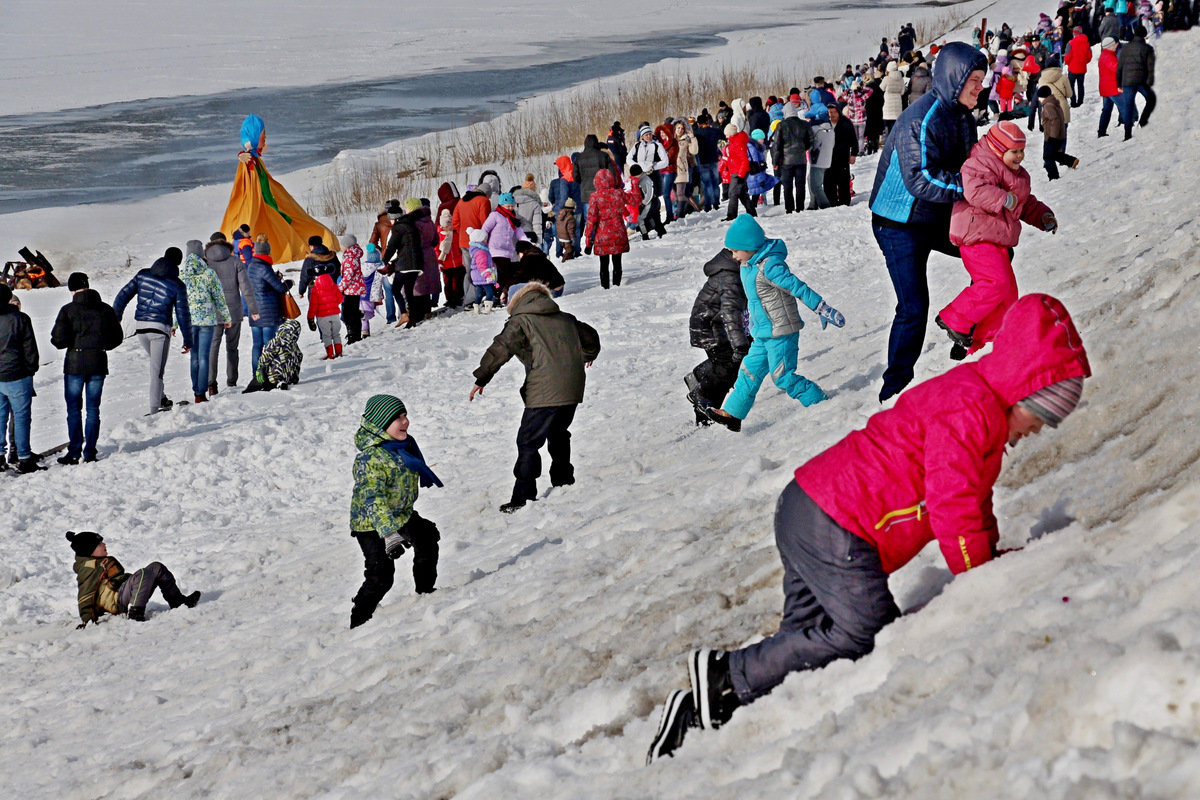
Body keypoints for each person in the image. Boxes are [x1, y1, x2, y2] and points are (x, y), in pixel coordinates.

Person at [647, 293, 1091, 763]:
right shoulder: (971, 409)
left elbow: (974, 501)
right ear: (1020, 389)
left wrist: (989, 554)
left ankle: (709, 712)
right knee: (867, 634)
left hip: (810, 507)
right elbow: (952, 505)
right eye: (1040, 416)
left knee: (812, 636)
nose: (1039, 429)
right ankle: (723, 675)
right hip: (835, 522)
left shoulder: (975, 404)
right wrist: (982, 576)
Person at [869, 41, 989, 403]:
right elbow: (921, 180)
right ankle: (895, 386)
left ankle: (963, 325)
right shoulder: (921, 119)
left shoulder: (963, 117)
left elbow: (972, 164)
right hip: (898, 224)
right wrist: (973, 189)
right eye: (975, 81)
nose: (981, 88)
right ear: (955, 80)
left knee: (993, 253)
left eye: (982, 81)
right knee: (913, 306)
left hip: (933, 215)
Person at [469, 283, 601, 513]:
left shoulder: (520, 321)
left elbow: (501, 347)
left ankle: (523, 497)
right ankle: (563, 481)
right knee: (558, 432)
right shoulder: (565, 318)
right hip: (572, 387)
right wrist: (588, 354)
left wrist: (482, 376)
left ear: (516, 301)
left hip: (545, 390)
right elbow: (589, 335)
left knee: (528, 442)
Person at [705, 217, 844, 432]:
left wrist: (822, 308)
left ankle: (822, 403)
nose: (733, 256)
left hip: (781, 332)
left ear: (749, 246)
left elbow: (797, 287)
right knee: (748, 372)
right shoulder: (747, 265)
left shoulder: (770, 266)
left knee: (783, 377)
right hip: (762, 333)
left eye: (735, 251)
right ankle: (733, 413)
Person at [936, 122, 1057, 359]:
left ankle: (990, 337)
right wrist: (1003, 199)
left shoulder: (1017, 175)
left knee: (1008, 296)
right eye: (1015, 151)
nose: (1020, 156)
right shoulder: (979, 164)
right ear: (998, 148)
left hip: (998, 240)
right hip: (977, 235)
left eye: (1022, 151)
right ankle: (954, 319)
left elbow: (1024, 202)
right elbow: (975, 190)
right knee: (995, 283)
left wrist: (1042, 215)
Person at [349, 395, 442, 628]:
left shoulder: (403, 446)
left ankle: (426, 592)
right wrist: (389, 534)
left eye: (405, 415)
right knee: (381, 575)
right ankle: (358, 620)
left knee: (427, 538)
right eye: (397, 418)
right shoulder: (370, 459)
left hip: (401, 514)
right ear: (380, 425)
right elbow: (373, 499)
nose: (405, 421)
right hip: (372, 524)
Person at [49, 273, 123, 464]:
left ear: (72, 290)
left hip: (74, 362)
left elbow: (58, 340)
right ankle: (90, 451)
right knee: (93, 409)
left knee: (74, 409)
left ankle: (74, 451)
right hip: (98, 361)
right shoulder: (105, 309)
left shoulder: (67, 310)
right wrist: (102, 345)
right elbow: (117, 337)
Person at [112, 246, 194, 415]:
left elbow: (123, 294)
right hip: (159, 331)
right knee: (157, 371)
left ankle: (161, 397)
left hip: (141, 327)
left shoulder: (143, 274)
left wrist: (116, 315)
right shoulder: (177, 285)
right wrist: (188, 340)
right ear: (178, 263)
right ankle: (154, 409)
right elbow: (183, 314)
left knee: (156, 367)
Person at [67, 530, 201, 626]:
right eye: (99, 544)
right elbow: (85, 595)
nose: (104, 545)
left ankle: (178, 602)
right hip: (116, 600)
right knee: (144, 573)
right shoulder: (89, 568)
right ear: (89, 550)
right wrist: (87, 620)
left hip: (122, 592)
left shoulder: (99, 562)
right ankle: (135, 612)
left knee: (156, 567)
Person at [685, 247, 748, 427]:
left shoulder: (733, 269)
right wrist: (739, 343)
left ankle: (700, 376)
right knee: (726, 368)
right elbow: (730, 313)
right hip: (710, 327)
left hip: (716, 325)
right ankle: (703, 402)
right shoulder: (730, 277)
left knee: (728, 366)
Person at [204, 232, 260, 394]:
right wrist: (253, 309)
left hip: (214, 312)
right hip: (233, 311)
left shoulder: (206, 263)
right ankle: (232, 381)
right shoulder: (235, 261)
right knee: (232, 348)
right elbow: (246, 288)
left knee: (213, 347)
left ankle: (211, 384)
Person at [179, 240, 232, 404]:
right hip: (207, 321)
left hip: (188, 322)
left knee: (193, 357)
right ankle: (200, 393)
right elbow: (219, 298)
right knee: (203, 357)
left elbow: (178, 303)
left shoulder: (181, 276)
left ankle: (196, 390)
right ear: (202, 254)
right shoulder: (209, 273)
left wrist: (174, 323)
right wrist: (226, 318)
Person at [0, 283, 41, 472]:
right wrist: (31, 369)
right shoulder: (20, 318)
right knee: (21, 416)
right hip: (17, 374)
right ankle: (24, 457)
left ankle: (0, 456)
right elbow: (29, 347)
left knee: (0, 417)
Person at [245, 236, 289, 374]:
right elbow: (280, 288)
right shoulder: (265, 268)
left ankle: (256, 374)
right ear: (267, 252)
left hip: (254, 311)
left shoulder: (251, 266)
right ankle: (269, 373)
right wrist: (288, 283)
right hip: (268, 312)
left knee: (257, 345)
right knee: (270, 345)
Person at [583, 170, 631, 289]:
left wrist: (588, 238)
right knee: (617, 261)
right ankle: (617, 284)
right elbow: (633, 201)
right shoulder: (618, 193)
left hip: (602, 235)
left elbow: (591, 219)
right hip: (618, 233)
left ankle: (605, 287)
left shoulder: (595, 197)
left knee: (603, 264)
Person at [770, 103, 813, 214]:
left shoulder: (781, 125)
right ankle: (800, 207)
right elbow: (811, 141)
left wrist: (775, 161)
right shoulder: (804, 124)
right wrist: (803, 148)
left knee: (787, 186)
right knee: (800, 185)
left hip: (786, 161)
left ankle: (789, 208)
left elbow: (777, 145)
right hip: (801, 159)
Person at [1117, 23, 1156, 140]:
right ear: (1144, 35)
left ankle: (1127, 134)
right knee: (1151, 99)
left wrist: (1118, 83)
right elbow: (1151, 66)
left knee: (1128, 106)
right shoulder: (1148, 48)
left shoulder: (1125, 48)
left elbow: (1120, 66)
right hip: (1141, 81)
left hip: (1127, 82)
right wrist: (1150, 81)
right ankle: (1143, 121)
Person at [243, 319, 302, 393]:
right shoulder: (295, 346)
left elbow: (267, 355)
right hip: (287, 377)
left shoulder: (277, 341)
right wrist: (295, 376)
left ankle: (250, 390)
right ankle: (281, 383)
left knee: (259, 379)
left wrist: (260, 368)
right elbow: (298, 359)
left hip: (273, 376)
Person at [1037, 85, 1081, 180]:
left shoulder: (1048, 106)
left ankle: (1053, 177)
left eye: (1039, 97)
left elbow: (1055, 121)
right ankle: (1071, 161)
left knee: (1047, 156)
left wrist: (1052, 136)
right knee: (1054, 154)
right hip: (1057, 135)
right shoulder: (1053, 103)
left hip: (1052, 136)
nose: (1038, 99)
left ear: (1043, 97)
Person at [825, 104, 859, 206]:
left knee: (843, 180)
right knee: (828, 180)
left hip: (842, 156)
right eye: (830, 112)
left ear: (838, 112)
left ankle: (845, 202)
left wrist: (853, 154)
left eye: (834, 112)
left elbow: (853, 139)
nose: (832, 115)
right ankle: (831, 201)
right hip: (827, 157)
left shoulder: (846, 123)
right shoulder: (825, 123)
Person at [307, 270, 344, 359]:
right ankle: (339, 353)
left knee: (326, 335)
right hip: (335, 314)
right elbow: (340, 299)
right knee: (336, 334)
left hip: (322, 316)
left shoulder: (315, 289)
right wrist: (333, 305)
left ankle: (330, 354)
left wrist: (310, 318)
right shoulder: (334, 286)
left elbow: (313, 306)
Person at [723, 124, 755, 220]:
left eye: (726, 134)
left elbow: (744, 160)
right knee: (742, 194)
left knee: (733, 193)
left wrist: (741, 174)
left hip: (738, 172)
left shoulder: (737, 143)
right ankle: (752, 212)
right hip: (736, 170)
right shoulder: (734, 142)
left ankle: (731, 215)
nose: (725, 136)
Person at [466, 227, 500, 313]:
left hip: (477, 276)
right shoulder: (481, 252)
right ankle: (488, 308)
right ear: (479, 240)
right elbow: (482, 265)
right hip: (483, 276)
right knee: (490, 292)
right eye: (485, 238)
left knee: (479, 293)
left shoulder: (478, 250)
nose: (486, 240)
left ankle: (476, 308)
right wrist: (487, 275)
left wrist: (492, 264)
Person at [1097, 37, 1122, 136]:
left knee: (1107, 109)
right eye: (1115, 44)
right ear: (1110, 46)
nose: (1116, 46)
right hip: (1111, 87)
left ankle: (1101, 131)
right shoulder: (1108, 56)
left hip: (1106, 87)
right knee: (1124, 106)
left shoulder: (1106, 55)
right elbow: (1116, 69)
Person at [1064, 26, 1093, 105]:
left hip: (1072, 68)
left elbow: (1067, 56)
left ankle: (1073, 101)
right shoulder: (1086, 43)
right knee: (1080, 85)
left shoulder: (1070, 43)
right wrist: (1084, 62)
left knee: (1071, 85)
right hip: (1082, 68)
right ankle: (1080, 101)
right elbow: (1089, 56)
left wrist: (1067, 63)